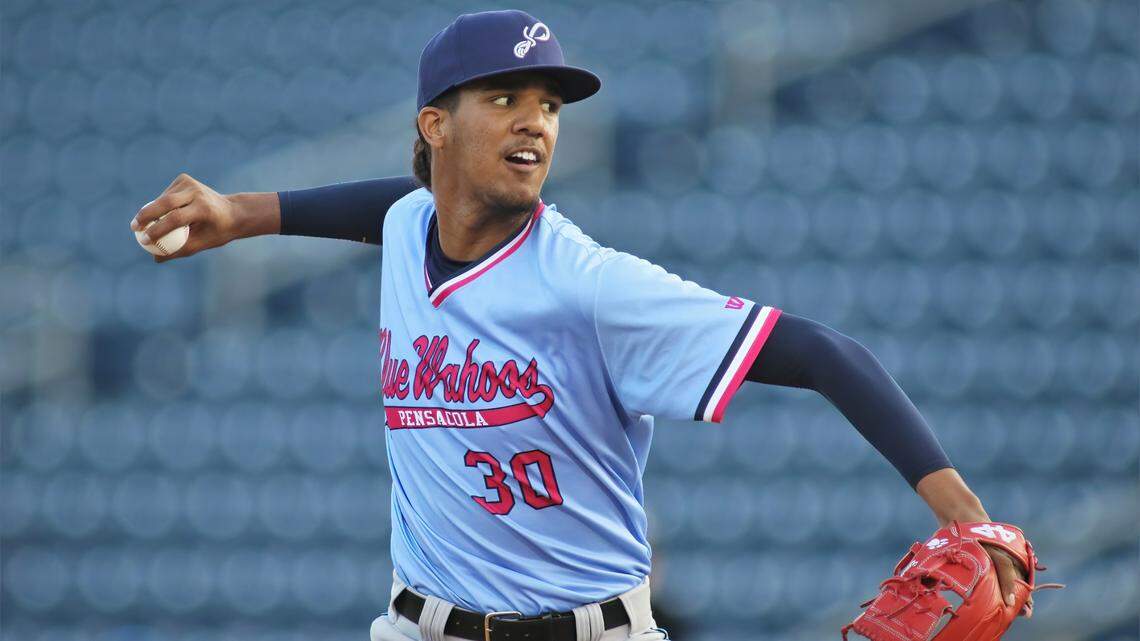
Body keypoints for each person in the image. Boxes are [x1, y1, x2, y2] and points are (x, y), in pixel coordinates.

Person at [131, 10, 1033, 641]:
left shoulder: (590, 286)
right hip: (415, 625)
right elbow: (393, 206)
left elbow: (830, 354)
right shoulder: (413, 225)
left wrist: (972, 521)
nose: (536, 121)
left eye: (551, 105)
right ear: (434, 125)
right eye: (507, 97)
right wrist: (243, 213)